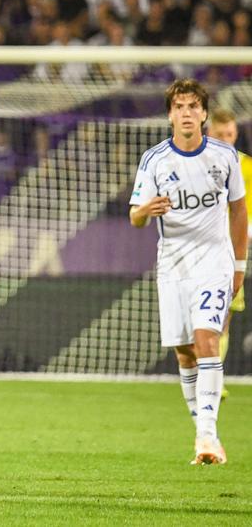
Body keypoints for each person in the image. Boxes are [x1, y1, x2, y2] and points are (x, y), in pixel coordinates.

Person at [129, 80, 247, 465]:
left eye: (192, 106)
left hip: (214, 260)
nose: (185, 113)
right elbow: (135, 219)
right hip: (173, 264)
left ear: (203, 114)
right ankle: (203, 429)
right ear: (169, 114)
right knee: (184, 352)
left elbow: (239, 212)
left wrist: (238, 267)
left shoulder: (224, 156)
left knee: (206, 340)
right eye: (178, 106)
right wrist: (147, 210)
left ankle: (208, 437)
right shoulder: (154, 160)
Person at [205, 108, 252, 391]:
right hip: (198, 252)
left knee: (223, 319)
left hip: (231, 254)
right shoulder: (195, 164)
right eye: (219, 134)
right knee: (203, 321)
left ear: (236, 134)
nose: (224, 139)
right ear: (209, 133)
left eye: (229, 134)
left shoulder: (246, 167)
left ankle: (213, 379)